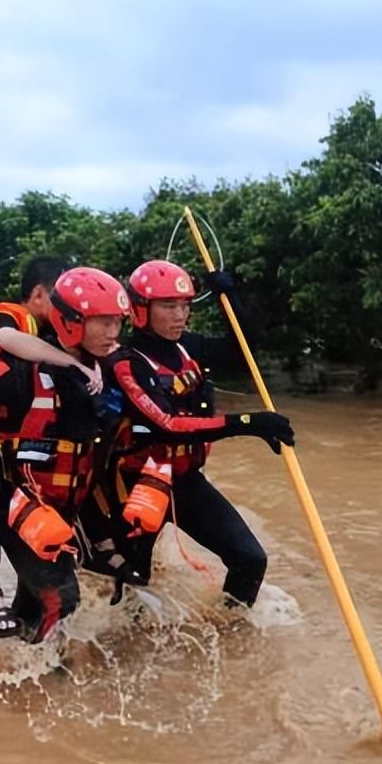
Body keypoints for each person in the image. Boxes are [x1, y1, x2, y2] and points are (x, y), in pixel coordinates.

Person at [0, 266, 130, 642]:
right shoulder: (18, 360)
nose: (113, 333)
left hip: (61, 504)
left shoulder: (110, 368)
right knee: (63, 597)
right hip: (17, 495)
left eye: (117, 323)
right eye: (102, 323)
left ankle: (2, 673)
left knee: (36, 603)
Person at [80, 259, 293, 608]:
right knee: (128, 591)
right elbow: (166, 424)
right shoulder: (125, 362)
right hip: (133, 488)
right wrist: (248, 424)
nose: (180, 315)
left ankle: (230, 635)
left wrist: (230, 296)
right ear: (140, 309)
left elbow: (243, 349)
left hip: (183, 480)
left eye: (184, 306)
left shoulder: (186, 347)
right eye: (168, 306)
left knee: (250, 559)